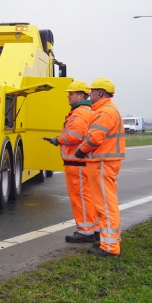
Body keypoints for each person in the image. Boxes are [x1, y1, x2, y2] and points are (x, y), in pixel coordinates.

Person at [75, 77, 125, 256]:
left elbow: (95, 137)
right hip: (103, 162)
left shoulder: (105, 112)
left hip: (102, 162)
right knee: (104, 204)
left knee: (105, 205)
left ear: (100, 93)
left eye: (92, 91)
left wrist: (81, 150)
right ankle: (108, 241)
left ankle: (110, 247)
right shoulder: (107, 110)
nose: (89, 95)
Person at [46, 80, 95, 244]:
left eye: (71, 94)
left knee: (80, 198)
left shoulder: (80, 113)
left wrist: (57, 139)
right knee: (85, 197)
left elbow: (74, 135)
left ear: (81, 95)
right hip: (80, 163)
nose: (68, 96)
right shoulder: (86, 111)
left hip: (77, 164)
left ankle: (85, 232)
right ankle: (89, 229)